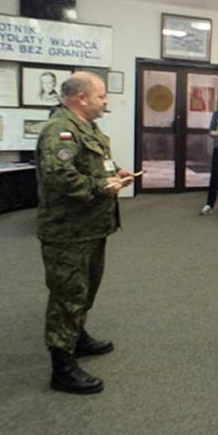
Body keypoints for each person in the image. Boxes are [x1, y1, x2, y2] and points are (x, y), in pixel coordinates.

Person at [36, 71, 134, 394]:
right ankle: (62, 368)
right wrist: (101, 186)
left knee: (86, 289)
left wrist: (115, 172)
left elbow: (94, 164)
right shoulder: (59, 130)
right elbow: (59, 176)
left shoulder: (88, 127)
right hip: (68, 231)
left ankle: (76, 338)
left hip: (91, 227)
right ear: (81, 98)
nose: (105, 101)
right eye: (101, 96)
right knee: (67, 296)